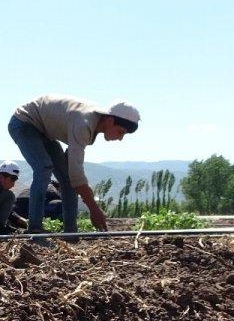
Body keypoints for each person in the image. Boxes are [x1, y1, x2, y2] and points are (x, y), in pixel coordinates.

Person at [8, 95, 140, 234]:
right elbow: (76, 174)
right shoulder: (84, 123)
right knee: (43, 167)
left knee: (67, 178)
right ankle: (35, 228)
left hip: (44, 131)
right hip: (24, 122)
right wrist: (94, 209)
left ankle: (71, 232)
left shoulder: (93, 124)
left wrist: (72, 169)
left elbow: (73, 170)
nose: (120, 138)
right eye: (120, 132)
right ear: (110, 120)